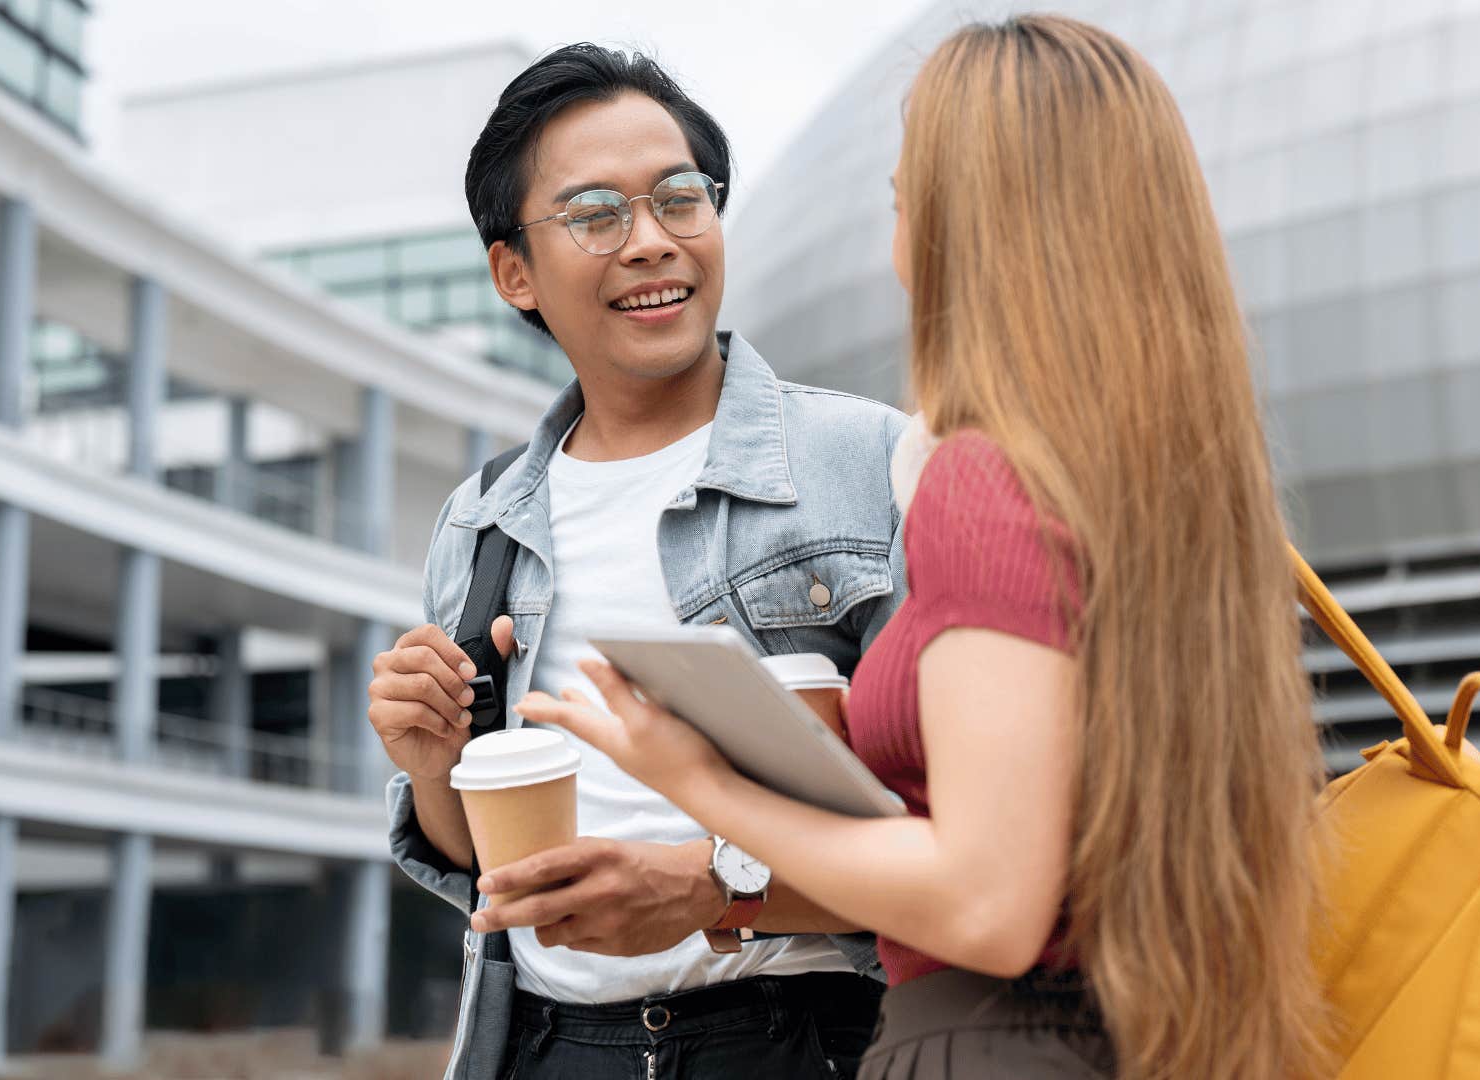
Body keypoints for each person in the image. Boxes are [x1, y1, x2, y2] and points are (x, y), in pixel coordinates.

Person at [516, 16, 1331, 1080]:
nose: (893, 240)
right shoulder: (1170, 494)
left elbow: (987, 904)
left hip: (986, 1042)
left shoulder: (983, 482)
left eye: (905, 202)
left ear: (967, 226)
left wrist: (701, 782)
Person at [367, 44, 909, 1080]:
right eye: (595, 215)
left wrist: (715, 885)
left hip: (802, 1036)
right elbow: (484, 860)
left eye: (679, 199)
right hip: (544, 1046)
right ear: (513, 273)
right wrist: (434, 765)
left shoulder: (870, 462)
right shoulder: (479, 521)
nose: (652, 243)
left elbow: (953, 841)